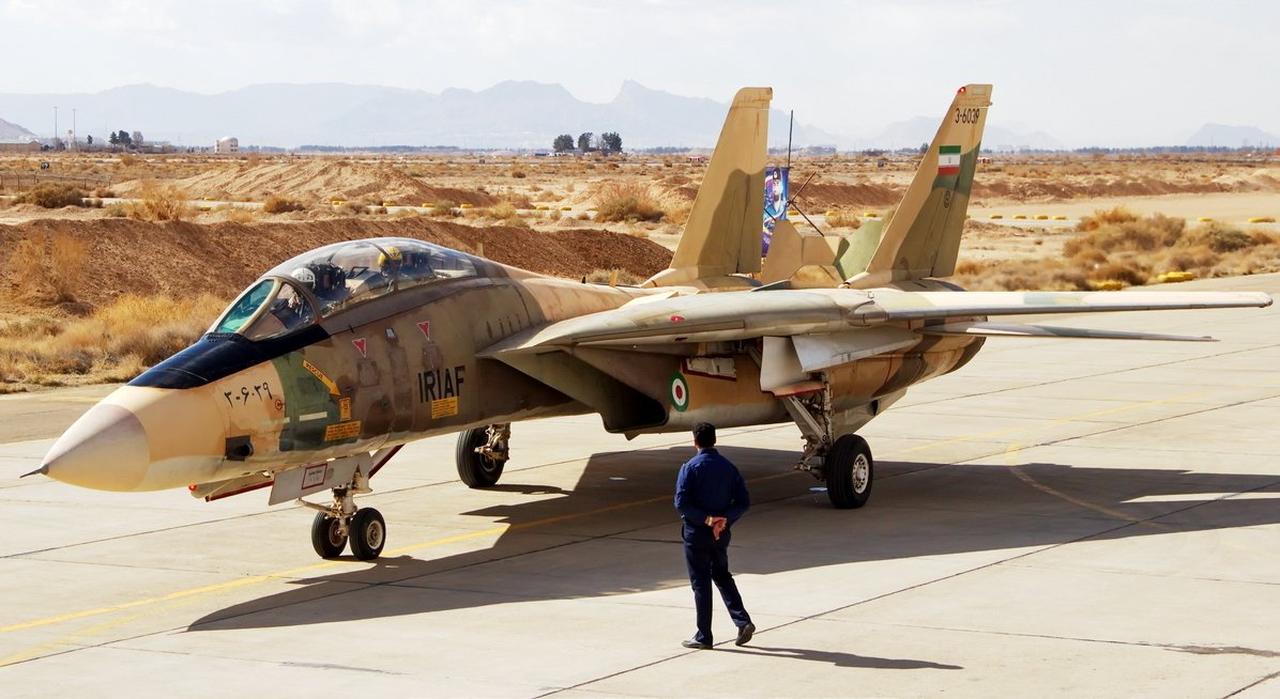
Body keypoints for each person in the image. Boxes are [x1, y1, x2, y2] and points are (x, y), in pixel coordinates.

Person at [674, 422, 754, 649]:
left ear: (695, 442)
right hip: (721, 535)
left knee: (701, 583)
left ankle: (704, 634)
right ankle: (742, 620)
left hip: (696, 534)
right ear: (714, 440)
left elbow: (681, 504)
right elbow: (743, 502)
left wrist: (707, 520)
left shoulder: (690, 468)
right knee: (722, 575)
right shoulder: (729, 468)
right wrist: (724, 520)